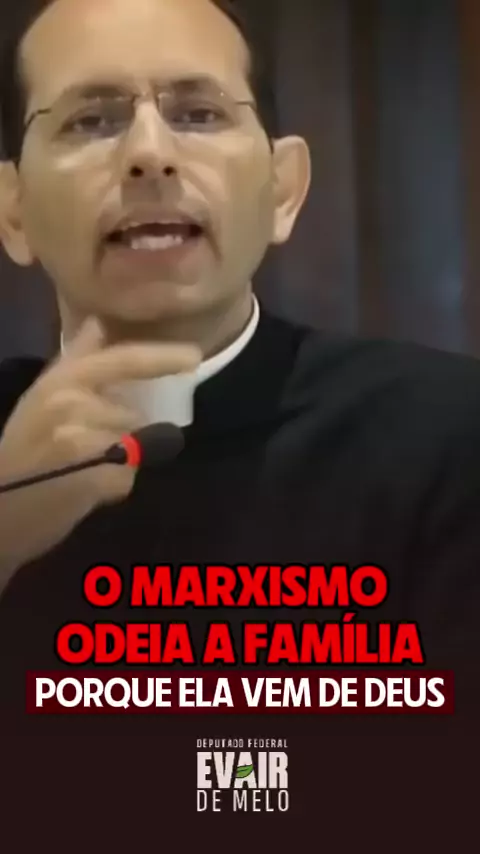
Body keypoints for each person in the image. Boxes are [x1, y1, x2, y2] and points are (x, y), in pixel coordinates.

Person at [0, 0, 480, 739]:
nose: (149, 152)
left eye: (198, 113)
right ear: (14, 213)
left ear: (283, 191)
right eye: (91, 120)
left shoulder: (449, 434)